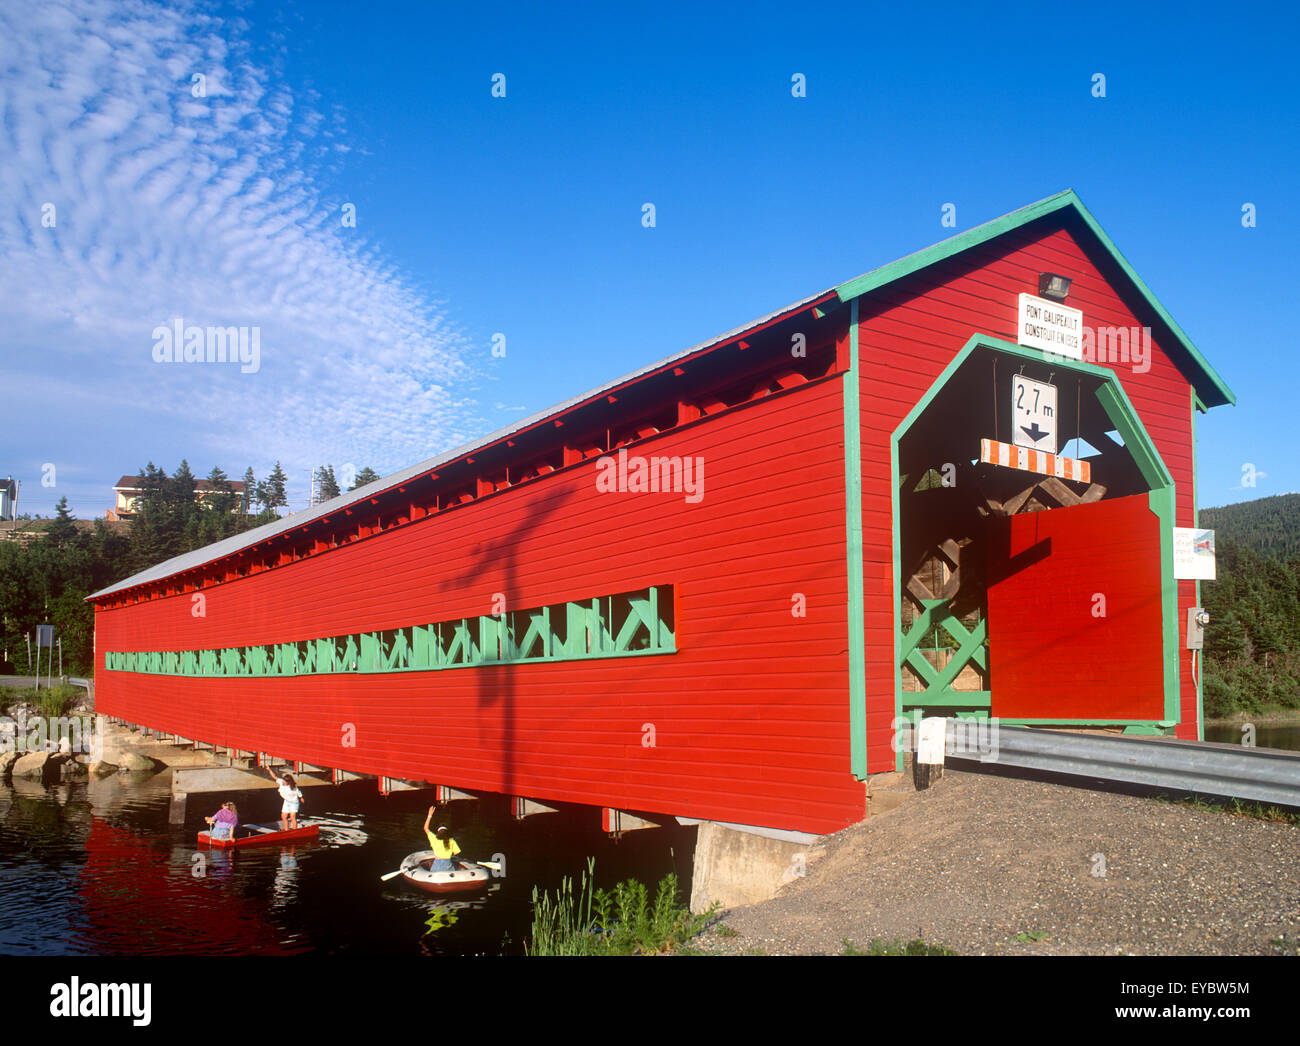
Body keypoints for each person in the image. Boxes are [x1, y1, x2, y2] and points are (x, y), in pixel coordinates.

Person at [422, 806, 461, 872]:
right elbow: (456, 852)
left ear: (438, 832)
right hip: (448, 864)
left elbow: (425, 828)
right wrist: (448, 854)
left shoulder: (434, 838)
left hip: (438, 864)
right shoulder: (451, 840)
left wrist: (429, 815)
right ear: (447, 832)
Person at [267, 765, 304, 830]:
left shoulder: (293, 787)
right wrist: (269, 769)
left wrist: (301, 798)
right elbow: (274, 776)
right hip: (287, 801)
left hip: (294, 802)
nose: (283, 782)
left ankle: (294, 830)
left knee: (292, 817)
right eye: (283, 780)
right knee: (284, 816)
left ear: (288, 782)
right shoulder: (281, 782)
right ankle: (286, 830)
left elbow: (298, 792)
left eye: (285, 781)